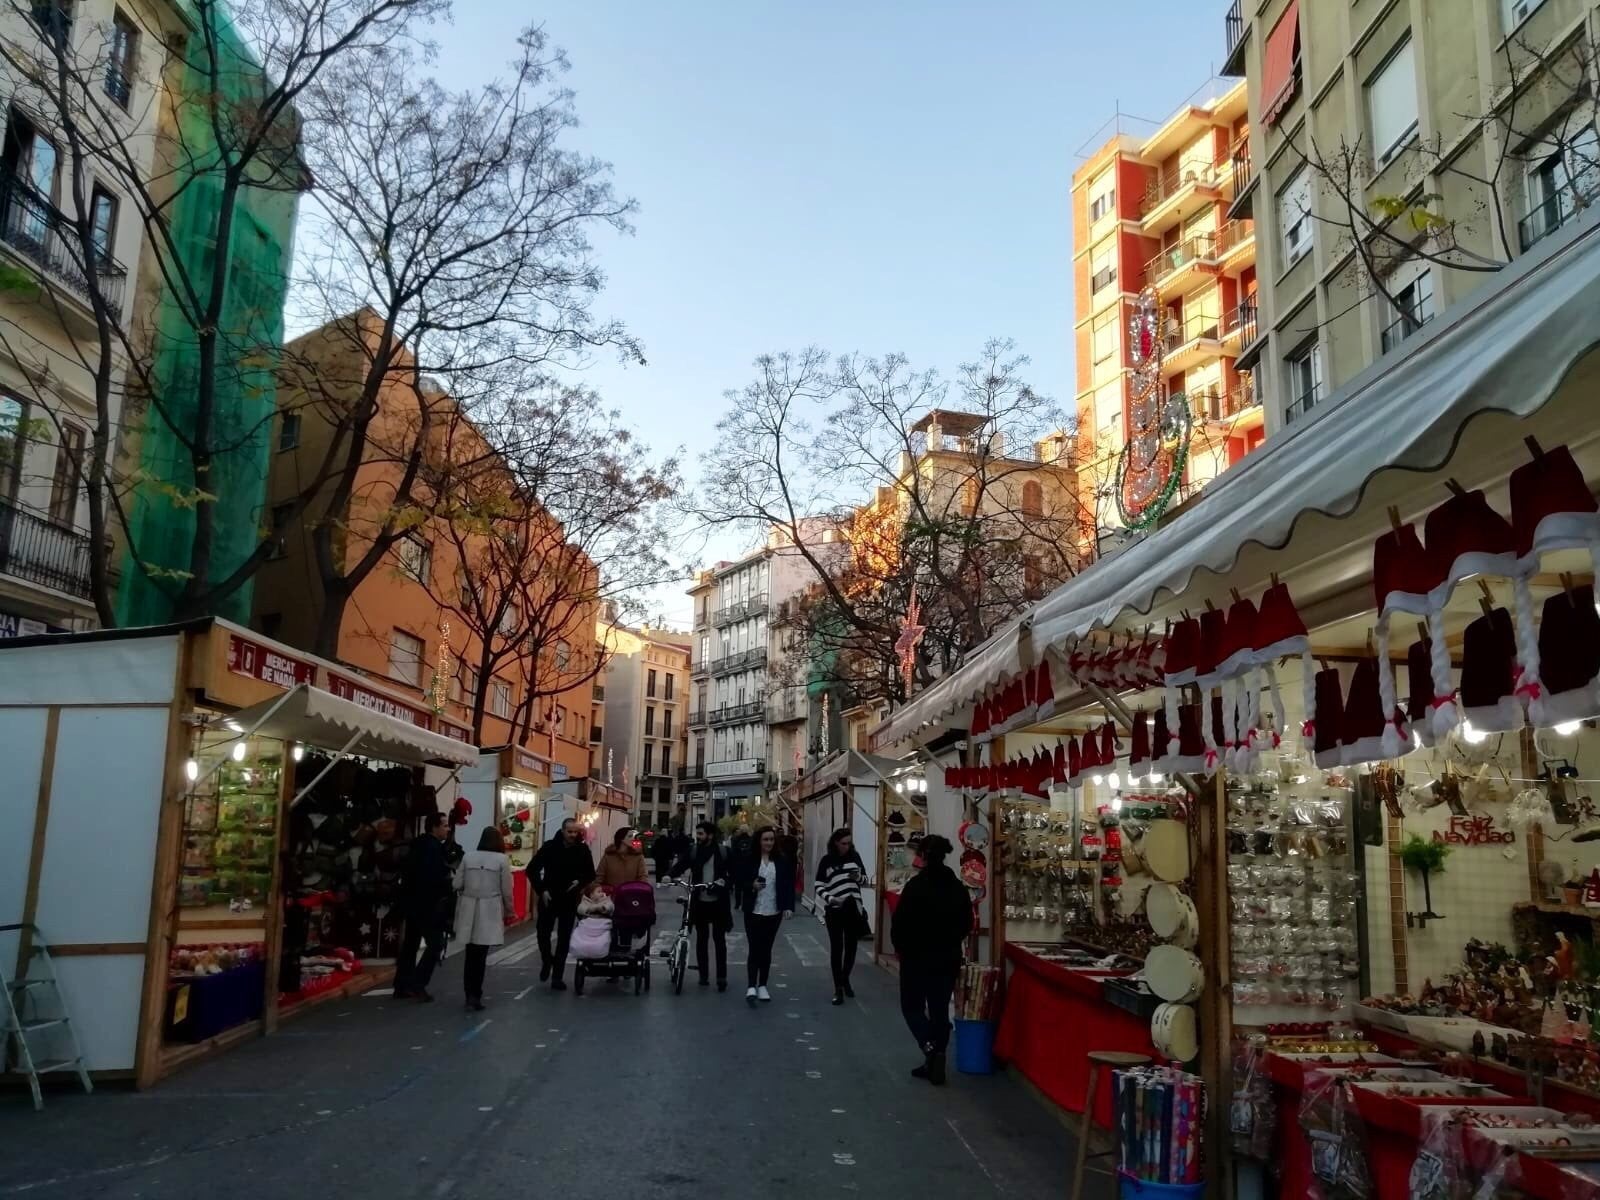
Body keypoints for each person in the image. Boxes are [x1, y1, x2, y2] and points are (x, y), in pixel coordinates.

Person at [890, 835, 973, 1085]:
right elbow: (966, 923)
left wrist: (901, 948)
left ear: (924, 855)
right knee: (938, 1010)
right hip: (946, 957)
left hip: (916, 957)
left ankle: (930, 1049)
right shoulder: (957, 887)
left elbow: (900, 922)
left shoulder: (916, 886)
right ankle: (937, 1055)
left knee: (912, 1007)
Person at [528, 818, 596, 990]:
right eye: (570, 831)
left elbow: (590, 873)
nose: (573, 835)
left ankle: (557, 976)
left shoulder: (582, 850)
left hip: (569, 898)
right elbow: (532, 869)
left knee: (564, 938)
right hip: (549, 896)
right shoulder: (550, 847)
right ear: (563, 831)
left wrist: (579, 882)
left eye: (575, 832)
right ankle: (546, 960)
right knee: (542, 933)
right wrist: (542, 890)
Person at [453, 827, 516, 1011]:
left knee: (470, 953)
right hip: (489, 907)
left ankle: (468, 994)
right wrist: (510, 911)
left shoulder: (468, 857)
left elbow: (456, 883)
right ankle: (476, 995)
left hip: (469, 906)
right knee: (481, 954)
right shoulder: (502, 860)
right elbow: (507, 890)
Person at [395, 812, 453, 1002]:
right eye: (444, 825)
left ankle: (402, 984)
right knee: (435, 944)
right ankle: (417, 984)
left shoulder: (419, 845)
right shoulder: (431, 848)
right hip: (427, 905)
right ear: (434, 827)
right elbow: (431, 878)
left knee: (411, 944)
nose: (448, 828)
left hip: (413, 903)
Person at [735, 825, 793, 1005]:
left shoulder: (781, 860)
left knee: (766, 949)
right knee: (754, 948)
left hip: (773, 911)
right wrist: (751, 885)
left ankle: (763, 985)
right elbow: (738, 880)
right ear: (759, 841)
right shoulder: (750, 859)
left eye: (771, 839)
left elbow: (787, 884)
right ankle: (751, 985)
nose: (769, 843)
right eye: (765, 839)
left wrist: (788, 907)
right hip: (753, 910)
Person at [670, 821, 732, 991]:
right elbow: (681, 865)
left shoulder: (723, 852)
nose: (698, 837)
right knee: (701, 940)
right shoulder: (694, 851)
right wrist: (669, 876)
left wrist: (723, 882)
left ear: (710, 835)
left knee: (720, 941)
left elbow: (733, 873)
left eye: (701, 834)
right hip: (699, 902)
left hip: (719, 903)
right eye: (697, 834)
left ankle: (721, 977)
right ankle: (703, 975)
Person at [815, 827, 869, 1005]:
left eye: (849, 843)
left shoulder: (855, 857)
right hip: (835, 908)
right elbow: (818, 885)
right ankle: (838, 988)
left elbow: (865, 880)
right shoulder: (827, 860)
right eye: (844, 843)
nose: (847, 846)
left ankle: (845, 978)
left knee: (852, 946)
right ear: (836, 843)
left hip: (853, 907)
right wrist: (831, 899)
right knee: (837, 947)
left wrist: (858, 877)